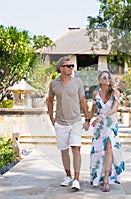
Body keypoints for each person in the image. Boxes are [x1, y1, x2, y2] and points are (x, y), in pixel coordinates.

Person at [47, 56, 90, 190]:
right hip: (60, 122)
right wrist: (50, 116)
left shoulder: (77, 82)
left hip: (76, 121)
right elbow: (49, 100)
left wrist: (87, 119)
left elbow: (83, 101)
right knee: (64, 150)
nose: (72, 68)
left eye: (72, 66)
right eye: (68, 66)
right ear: (61, 68)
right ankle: (68, 176)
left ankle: (76, 179)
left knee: (76, 148)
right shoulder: (54, 84)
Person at [87, 70, 125, 192]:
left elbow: (114, 109)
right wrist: (87, 120)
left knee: (109, 149)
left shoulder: (115, 93)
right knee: (98, 151)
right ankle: (98, 177)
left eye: (108, 77)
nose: (107, 79)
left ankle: (107, 180)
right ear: (99, 80)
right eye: (104, 77)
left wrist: (102, 117)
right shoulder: (95, 93)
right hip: (99, 128)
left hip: (110, 125)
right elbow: (93, 109)